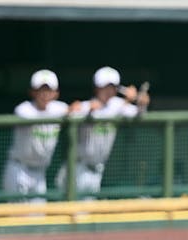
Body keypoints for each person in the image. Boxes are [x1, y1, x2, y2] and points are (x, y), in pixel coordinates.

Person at [55, 66, 150, 199]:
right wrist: (82, 110)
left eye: (112, 87)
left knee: (89, 209)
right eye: (104, 87)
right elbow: (68, 115)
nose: (108, 91)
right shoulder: (86, 105)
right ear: (97, 88)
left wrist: (142, 102)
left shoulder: (117, 105)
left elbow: (139, 114)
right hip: (77, 168)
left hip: (97, 170)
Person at [2, 69, 80, 204]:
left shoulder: (59, 108)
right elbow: (36, 116)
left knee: (39, 215)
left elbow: (77, 109)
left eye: (49, 90)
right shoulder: (23, 109)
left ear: (56, 93)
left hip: (40, 172)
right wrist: (66, 112)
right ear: (32, 92)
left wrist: (77, 107)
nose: (44, 94)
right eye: (40, 90)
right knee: (17, 215)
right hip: (19, 169)